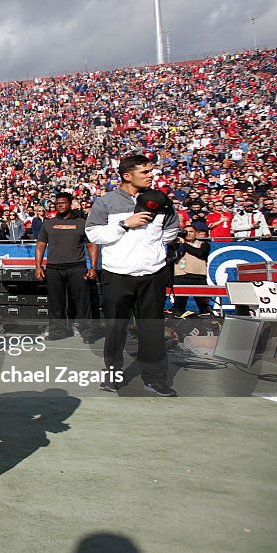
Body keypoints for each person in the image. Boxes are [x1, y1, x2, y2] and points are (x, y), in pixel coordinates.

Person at [86, 155, 180, 397]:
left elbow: (171, 231)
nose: (151, 175)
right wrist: (125, 224)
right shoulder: (105, 202)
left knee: (152, 330)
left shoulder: (162, 201)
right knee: (116, 329)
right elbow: (93, 234)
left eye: (151, 171)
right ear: (127, 176)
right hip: (118, 274)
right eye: (145, 172)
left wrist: (154, 252)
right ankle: (113, 375)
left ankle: (155, 379)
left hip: (152, 274)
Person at [35, 193, 99, 342]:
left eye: (63, 203)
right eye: (57, 204)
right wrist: (38, 266)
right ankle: (57, 332)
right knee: (55, 303)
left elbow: (91, 245)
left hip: (77, 267)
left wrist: (93, 267)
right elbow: (40, 246)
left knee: (83, 302)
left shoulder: (82, 223)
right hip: (53, 268)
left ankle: (87, 333)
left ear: (71, 204)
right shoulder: (48, 224)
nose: (60, 205)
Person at [171, 225, 212, 317]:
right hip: (180, 276)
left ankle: (208, 324)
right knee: (179, 304)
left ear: (196, 233)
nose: (188, 234)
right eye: (186, 232)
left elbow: (200, 253)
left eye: (191, 231)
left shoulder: (204, 244)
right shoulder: (176, 244)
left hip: (198, 276)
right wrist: (178, 244)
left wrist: (184, 245)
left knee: (203, 304)